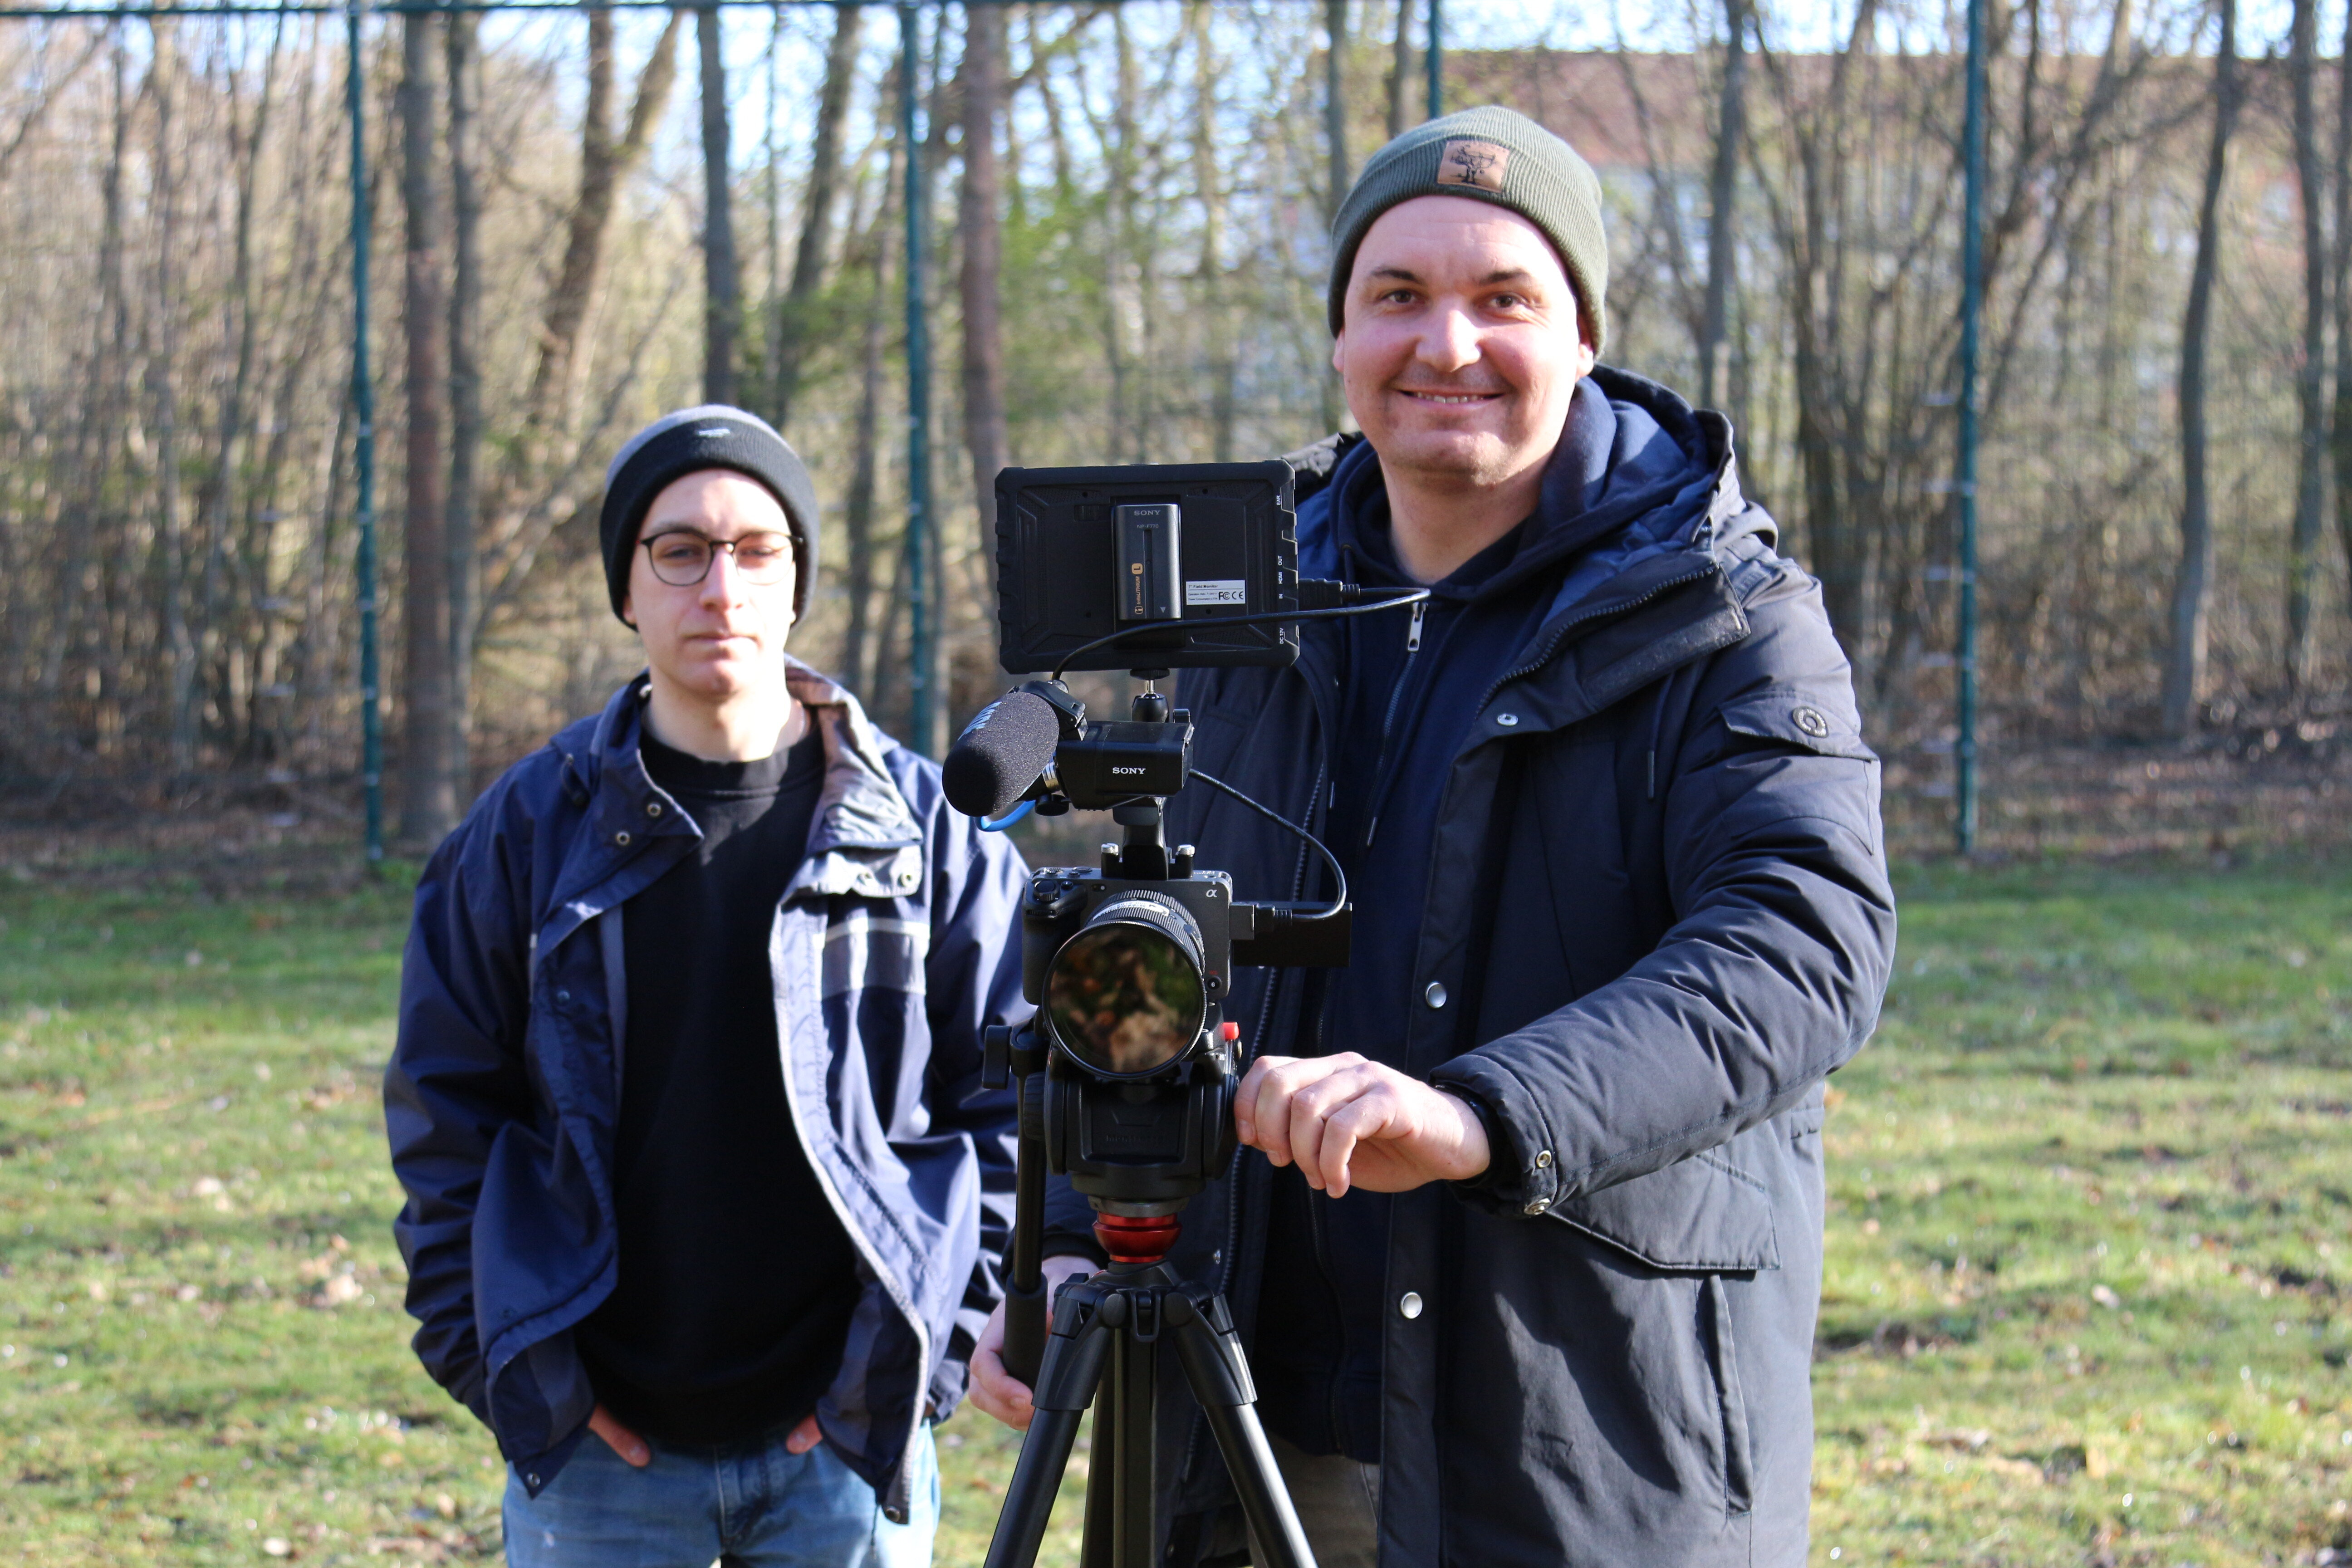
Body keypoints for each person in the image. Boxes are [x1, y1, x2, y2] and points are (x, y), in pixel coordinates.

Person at [969, 107, 1896, 1568]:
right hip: (1242, 1424)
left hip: (1575, 1439)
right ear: (1342, 337)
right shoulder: (1244, 609)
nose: (1445, 343)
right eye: (1397, 295)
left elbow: (1801, 947)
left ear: (1584, 336)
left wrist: (1482, 1117)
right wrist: (1085, 1225)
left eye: (1504, 299)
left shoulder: (1725, 611)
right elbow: (1169, 951)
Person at [385, 406, 1029, 1567]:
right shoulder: (523, 835)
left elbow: (1013, 1106)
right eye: (679, 551)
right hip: (598, 1460)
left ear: (797, 581)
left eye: (756, 550)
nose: (720, 588)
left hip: (845, 1451)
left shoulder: (928, 837)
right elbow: (445, 1119)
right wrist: (509, 1374)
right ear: (627, 588)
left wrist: (927, 1356)